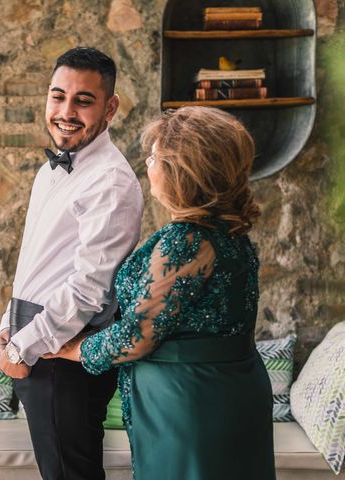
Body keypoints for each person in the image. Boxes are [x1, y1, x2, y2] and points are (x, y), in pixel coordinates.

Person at [45, 106, 276, 480]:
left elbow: (135, 339)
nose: (147, 163)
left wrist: (66, 347)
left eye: (154, 156)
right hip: (229, 387)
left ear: (181, 171)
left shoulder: (185, 241)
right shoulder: (231, 234)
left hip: (191, 400)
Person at [0, 47, 144, 480]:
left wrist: (23, 347)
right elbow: (36, 261)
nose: (65, 111)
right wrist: (9, 323)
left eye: (83, 100)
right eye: (57, 96)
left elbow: (87, 289)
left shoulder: (111, 182)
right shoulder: (51, 171)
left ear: (110, 107)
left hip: (63, 356)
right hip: (33, 342)